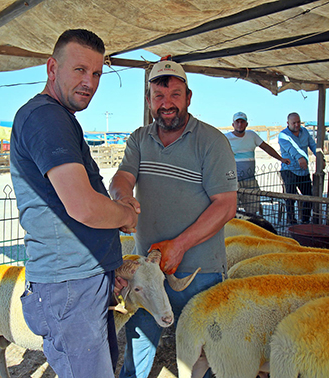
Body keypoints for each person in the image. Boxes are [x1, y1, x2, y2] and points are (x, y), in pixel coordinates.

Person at [9, 29, 138, 378]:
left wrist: (103, 267)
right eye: (80, 70)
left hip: (80, 280)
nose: (90, 82)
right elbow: (83, 206)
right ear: (52, 68)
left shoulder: (60, 118)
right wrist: (126, 215)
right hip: (70, 286)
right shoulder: (45, 117)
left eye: (96, 73)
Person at [109, 59, 238, 378]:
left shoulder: (211, 141)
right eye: (158, 96)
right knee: (138, 346)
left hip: (201, 273)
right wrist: (123, 197)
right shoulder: (139, 139)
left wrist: (180, 246)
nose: (166, 104)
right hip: (149, 273)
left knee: (202, 356)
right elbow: (122, 177)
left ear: (189, 97)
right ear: (149, 100)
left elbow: (226, 205)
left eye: (175, 95)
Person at [226, 111, 290, 215]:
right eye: (237, 122)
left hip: (250, 179)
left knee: (252, 207)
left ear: (246, 124)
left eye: (242, 122)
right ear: (233, 124)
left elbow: (266, 147)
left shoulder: (252, 135)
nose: (240, 124)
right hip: (233, 180)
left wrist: (281, 159)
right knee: (233, 210)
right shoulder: (226, 138)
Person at [278, 112, 318, 225]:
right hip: (289, 170)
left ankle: (305, 220)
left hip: (303, 170)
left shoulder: (304, 132)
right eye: (294, 123)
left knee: (308, 196)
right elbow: (292, 149)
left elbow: (313, 145)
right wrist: (300, 158)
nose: (296, 125)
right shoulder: (283, 136)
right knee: (291, 197)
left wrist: (320, 157)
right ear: (288, 123)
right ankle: (292, 221)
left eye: (298, 122)